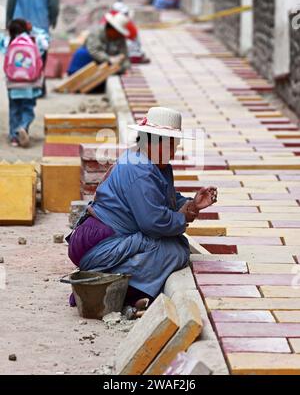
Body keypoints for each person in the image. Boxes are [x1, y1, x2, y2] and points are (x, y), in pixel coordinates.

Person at [66, 107, 218, 315]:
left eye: (175, 143)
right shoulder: (139, 169)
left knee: (176, 246)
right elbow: (153, 224)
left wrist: (192, 205)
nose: (173, 150)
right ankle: (113, 291)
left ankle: (109, 283)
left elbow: (165, 199)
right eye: (169, 143)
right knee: (173, 251)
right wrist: (183, 216)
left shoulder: (155, 165)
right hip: (96, 241)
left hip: (105, 237)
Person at [1, 19, 49, 148]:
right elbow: (44, 48)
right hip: (30, 84)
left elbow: (6, 63)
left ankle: (14, 138)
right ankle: (23, 127)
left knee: (14, 110)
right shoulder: (34, 40)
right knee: (28, 109)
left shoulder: (9, 42)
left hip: (13, 84)